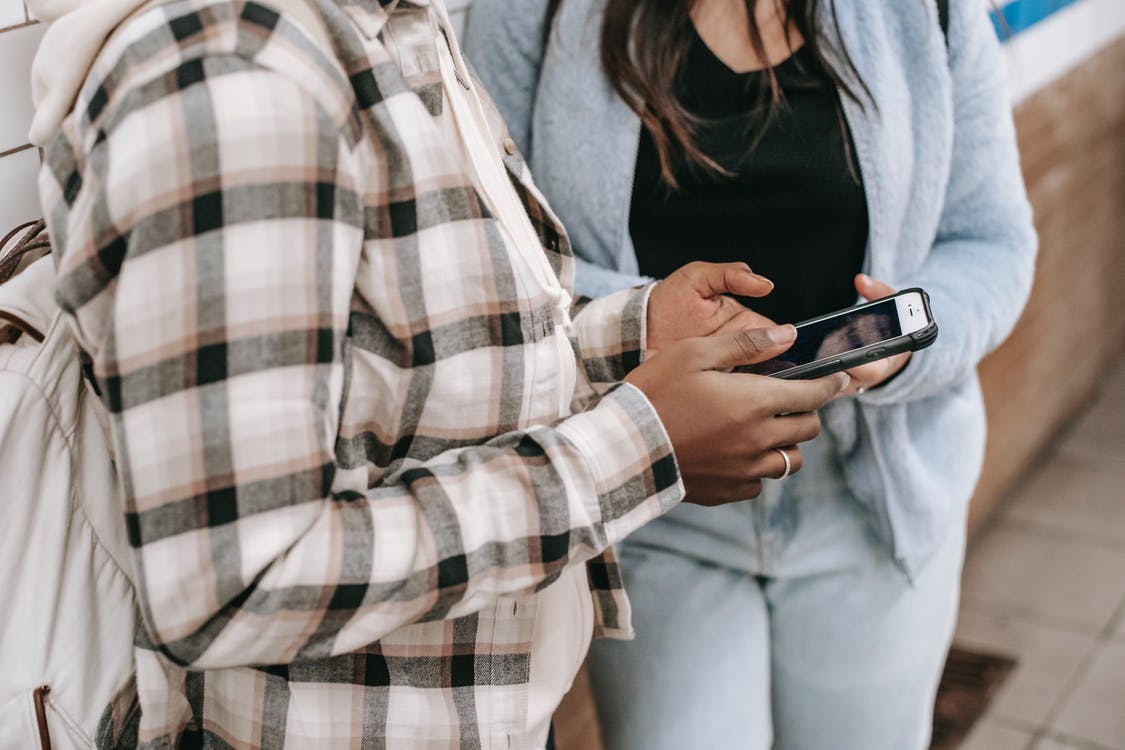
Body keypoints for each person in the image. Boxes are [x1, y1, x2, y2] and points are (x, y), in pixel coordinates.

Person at [26, 0, 849, 746]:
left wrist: (634, 336)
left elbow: (403, 366)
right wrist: (639, 449)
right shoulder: (235, 80)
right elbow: (236, 581)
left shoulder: (384, 25)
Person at [464, 0, 1038, 748]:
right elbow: (497, 260)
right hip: (651, 495)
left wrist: (901, 343)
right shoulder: (530, 13)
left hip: (874, 497)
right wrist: (646, 324)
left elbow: (989, 240)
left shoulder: (925, 12)